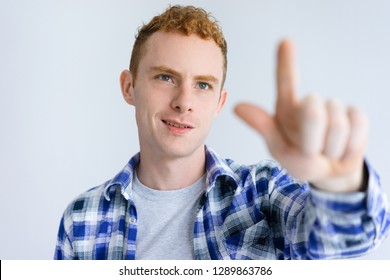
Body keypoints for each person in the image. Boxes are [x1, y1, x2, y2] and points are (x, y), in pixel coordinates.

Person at [54, 5, 390, 260]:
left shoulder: (263, 193)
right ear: (130, 87)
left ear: (219, 101)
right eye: (166, 77)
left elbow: (342, 241)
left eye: (203, 85)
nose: (184, 102)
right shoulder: (83, 218)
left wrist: (340, 185)